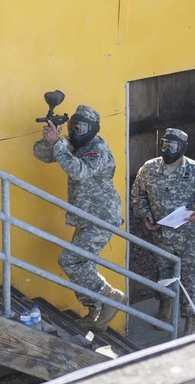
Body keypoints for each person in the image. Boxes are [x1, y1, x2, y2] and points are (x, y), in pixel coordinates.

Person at [33, 104, 126, 331]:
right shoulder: (74, 144)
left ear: (93, 128)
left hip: (102, 218)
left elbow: (79, 171)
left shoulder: (97, 149)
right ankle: (94, 310)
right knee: (84, 264)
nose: (76, 131)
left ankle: (110, 296)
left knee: (71, 260)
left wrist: (58, 144)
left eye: (81, 127)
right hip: (85, 217)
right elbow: (42, 155)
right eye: (73, 126)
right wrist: (50, 140)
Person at [130, 128, 195, 336]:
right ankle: (166, 307)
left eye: (174, 146)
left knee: (189, 280)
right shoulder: (149, 169)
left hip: (188, 237)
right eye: (165, 145)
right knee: (164, 275)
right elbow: (138, 196)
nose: (169, 150)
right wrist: (145, 215)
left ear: (183, 148)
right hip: (160, 235)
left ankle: (191, 321)